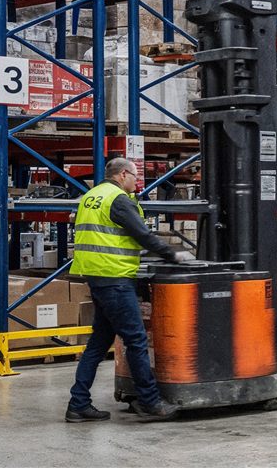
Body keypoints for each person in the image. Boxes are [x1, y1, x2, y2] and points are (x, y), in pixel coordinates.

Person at [66, 156, 192, 422]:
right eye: (136, 177)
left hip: (97, 276)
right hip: (115, 279)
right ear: (123, 174)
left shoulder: (91, 196)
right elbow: (142, 235)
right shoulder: (118, 199)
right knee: (136, 340)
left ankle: (78, 403)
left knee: (98, 344)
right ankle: (150, 402)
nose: (138, 183)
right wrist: (172, 255)